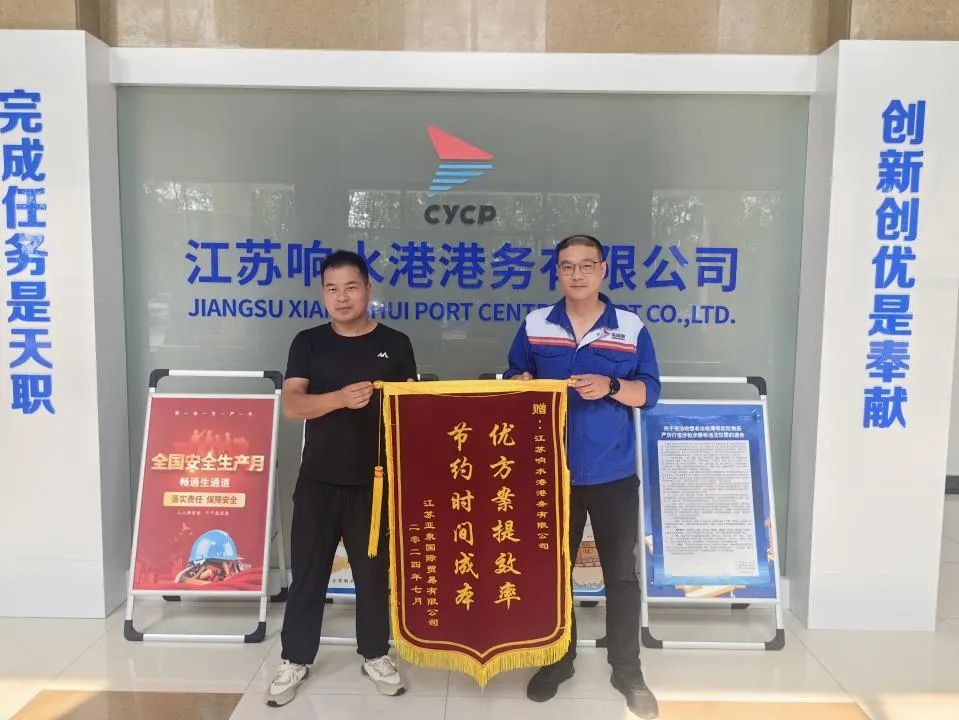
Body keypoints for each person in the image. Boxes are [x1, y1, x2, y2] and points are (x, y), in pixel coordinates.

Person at [504, 234, 661, 720]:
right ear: (557, 272)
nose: (577, 274)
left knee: (621, 575)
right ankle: (558, 660)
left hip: (613, 471)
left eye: (586, 265)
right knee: (553, 574)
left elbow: (649, 393)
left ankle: (627, 669)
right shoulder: (535, 324)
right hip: (549, 472)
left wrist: (611, 385)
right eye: (567, 266)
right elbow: (512, 379)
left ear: (603, 270)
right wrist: (519, 383)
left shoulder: (629, 327)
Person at [265, 250, 417, 708]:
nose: (342, 297)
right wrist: (339, 399)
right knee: (308, 575)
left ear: (368, 290)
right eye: (332, 289)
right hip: (318, 481)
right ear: (323, 294)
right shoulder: (308, 342)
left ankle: (375, 653)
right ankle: (295, 658)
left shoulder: (396, 343)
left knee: (373, 576)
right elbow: (293, 405)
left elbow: (412, 408)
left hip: (375, 483)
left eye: (351, 287)